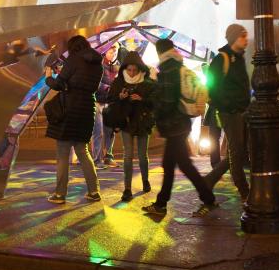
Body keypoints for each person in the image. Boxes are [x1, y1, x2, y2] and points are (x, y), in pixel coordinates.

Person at [142, 38, 218, 217]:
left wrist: (155, 113)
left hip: (174, 124)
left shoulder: (168, 69)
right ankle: (162, 203)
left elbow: (167, 100)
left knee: (183, 165)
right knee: (173, 164)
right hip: (181, 122)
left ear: (160, 52)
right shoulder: (178, 65)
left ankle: (208, 200)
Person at [45, 35, 103, 204]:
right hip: (87, 110)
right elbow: (89, 85)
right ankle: (94, 191)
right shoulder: (98, 64)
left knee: (63, 152)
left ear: (72, 48)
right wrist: (66, 78)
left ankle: (60, 194)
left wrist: (49, 77)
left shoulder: (73, 60)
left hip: (69, 109)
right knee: (83, 152)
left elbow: (58, 84)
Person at [206, 23, 250, 201]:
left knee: (237, 150)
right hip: (229, 112)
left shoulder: (239, 58)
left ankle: (210, 180)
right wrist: (227, 105)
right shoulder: (222, 58)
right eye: (243, 36)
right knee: (237, 150)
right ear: (234, 38)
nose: (246, 40)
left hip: (240, 111)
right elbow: (211, 86)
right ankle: (244, 190)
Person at [108, 51, 155, 201]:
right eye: (129, 70)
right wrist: (120, 97)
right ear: (124, 69)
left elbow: (155, 102)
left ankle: (145, 181)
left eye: (135, 70)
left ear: (140, 69)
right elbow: (111, 99)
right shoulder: (119, 82)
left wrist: (142, 99)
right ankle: (127, 188)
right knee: (127, 156)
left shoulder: (148, 83)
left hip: (142, 122)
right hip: (126, 122)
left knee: (142, 156)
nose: (132, 73)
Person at [92, 42, 120, 168]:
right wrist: (108, 88)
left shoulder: (116, 66)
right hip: (98, 101)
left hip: (109, 103)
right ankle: (96, 159)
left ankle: (108, 156)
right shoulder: (98, 65)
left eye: (115, 52)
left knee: (109, 131)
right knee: (98, 131)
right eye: (110, 51)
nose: (113, 54)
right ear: (105, 52)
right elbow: (95, 83)